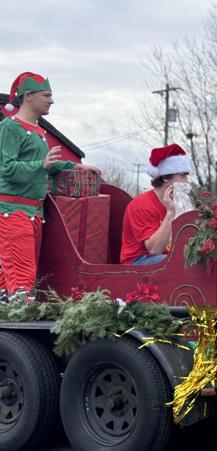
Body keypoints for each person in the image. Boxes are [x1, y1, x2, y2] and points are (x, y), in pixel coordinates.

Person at [0, 71, 99, 301]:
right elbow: (6, 169)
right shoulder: (10, 128)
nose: (51, 100)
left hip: (33, 214)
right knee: (22, 282)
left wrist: (74, 167)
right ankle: (17, 328)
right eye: (46, 95)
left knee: (13, 279)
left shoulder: (37, 131)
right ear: (28, 96)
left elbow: (47, 165)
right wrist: (41, 164)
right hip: (13, 213)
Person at [120, 143, 191, 265]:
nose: (187, 181)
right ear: (166, 178)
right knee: (180, 262)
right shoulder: (141, 205)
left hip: (166, 257)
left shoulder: (179, 202)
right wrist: (170, 213)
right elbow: (154, 249)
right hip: (137, 262)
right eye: (183, 176)